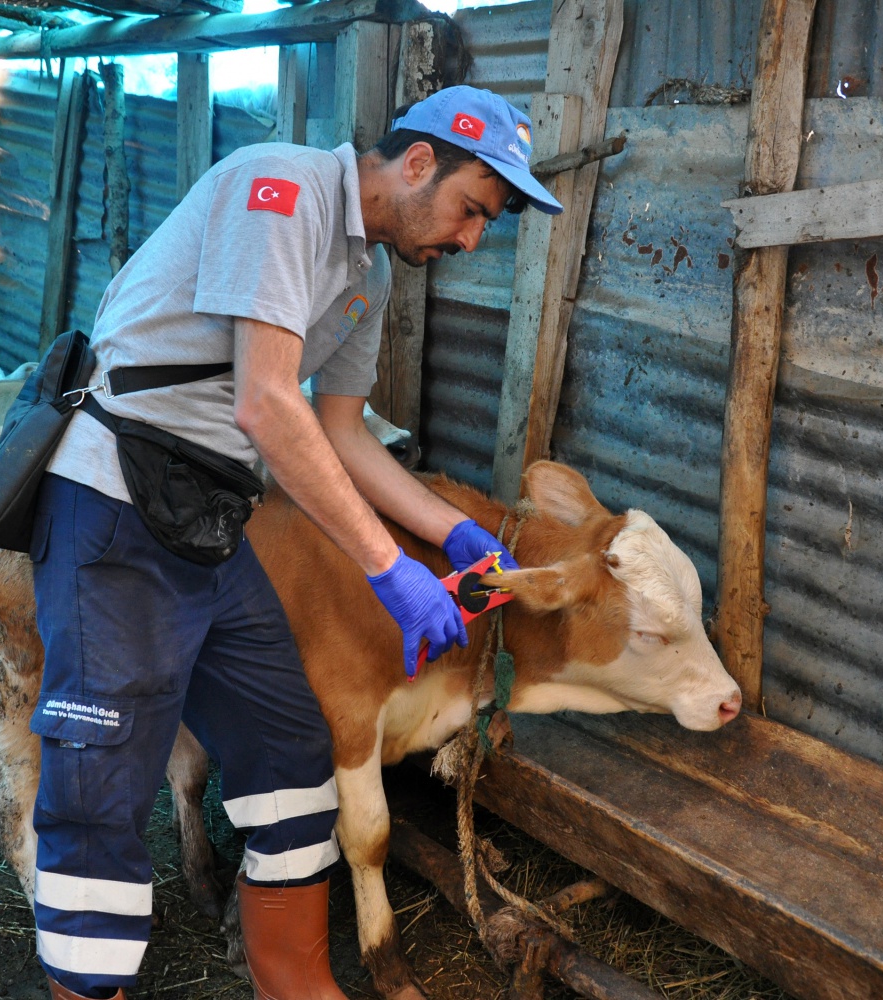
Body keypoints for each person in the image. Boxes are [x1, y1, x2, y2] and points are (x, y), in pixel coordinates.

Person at [28, 84, 563, 1000]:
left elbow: (344, 434)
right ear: (420, 162)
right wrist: (391, 570)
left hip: (207, 519)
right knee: (101, 790)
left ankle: (295, 981)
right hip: (114, 504)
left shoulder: (371, 274)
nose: (473, 239)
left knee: (290, 751)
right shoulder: (280, 188)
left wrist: (453, 531)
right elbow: (266, 402)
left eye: (488, 224)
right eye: (474, 210)